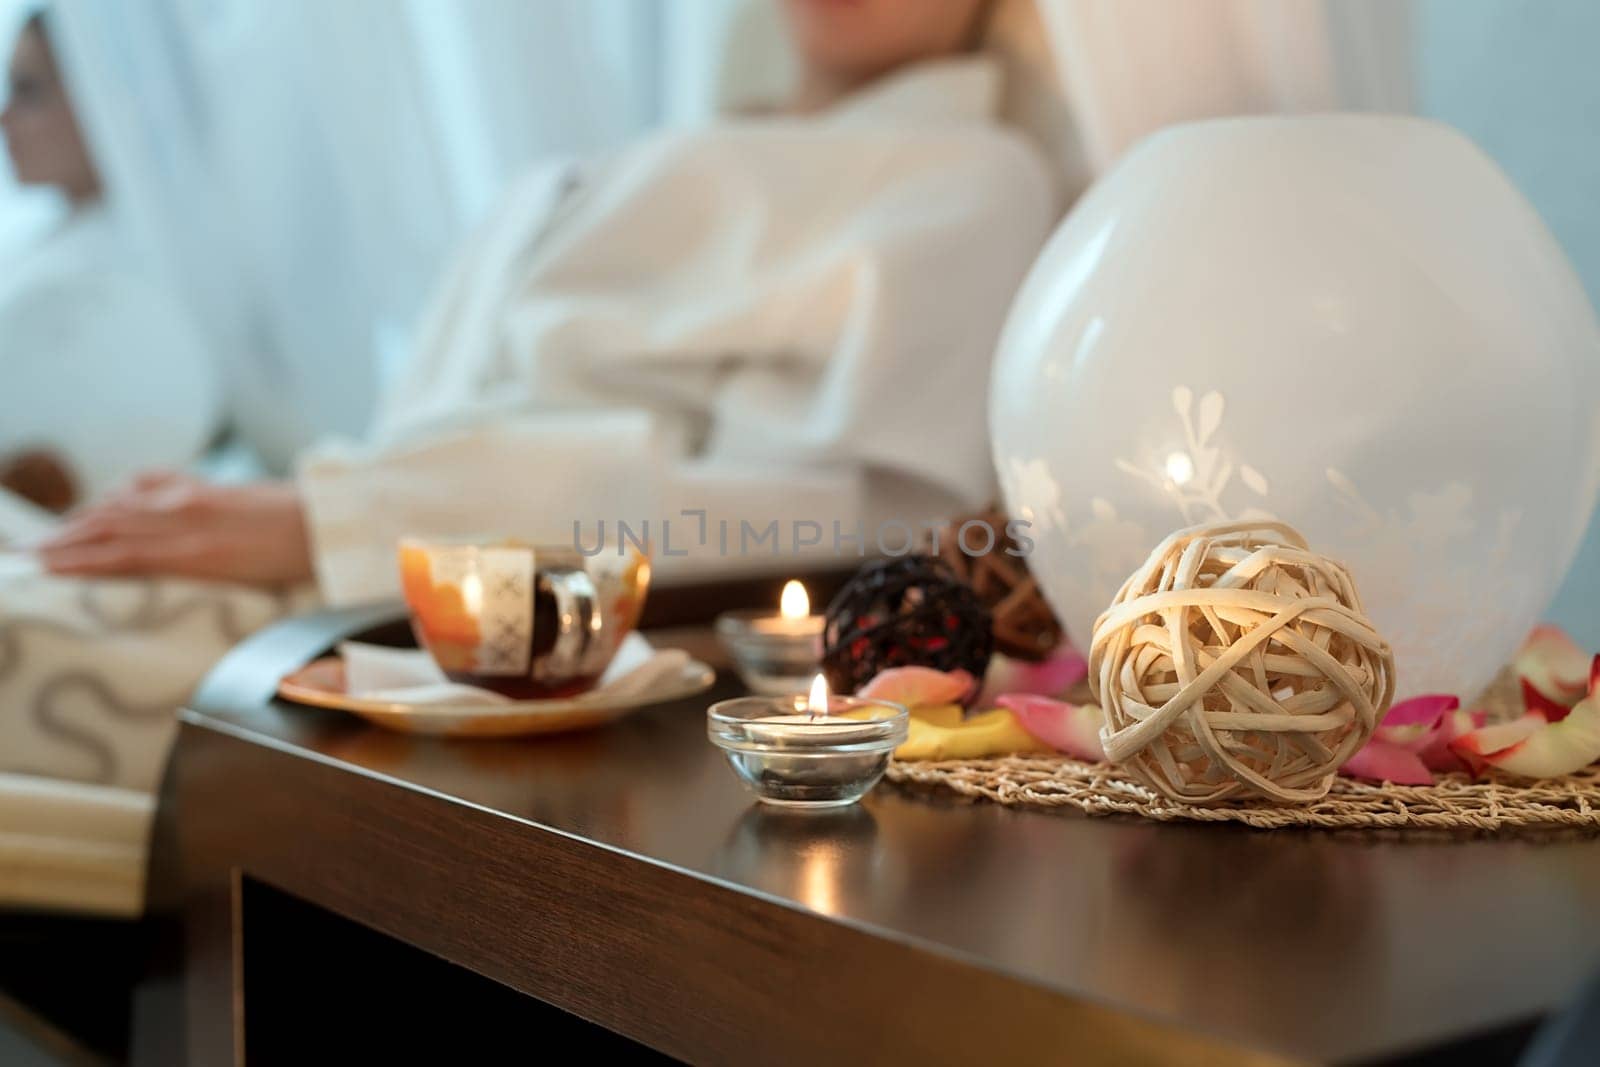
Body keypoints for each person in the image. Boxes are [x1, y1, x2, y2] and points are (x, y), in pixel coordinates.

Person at [34, 0, 1056, 601]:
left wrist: (338, 521)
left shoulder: (970, 181)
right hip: (349, 582)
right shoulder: (607, 169)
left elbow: (828, 519)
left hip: (479, 628)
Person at [0, 11, 219, 514]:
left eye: (28, 91)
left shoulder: (151, 270)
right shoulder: (37, 248)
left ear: (106, 96)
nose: (4, 118)